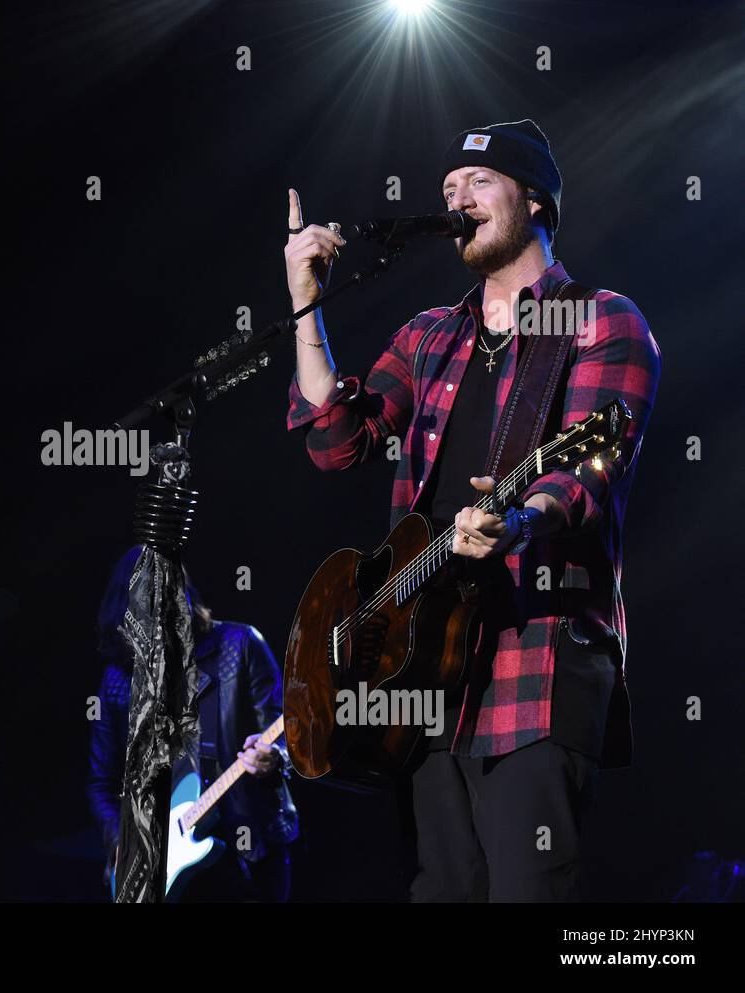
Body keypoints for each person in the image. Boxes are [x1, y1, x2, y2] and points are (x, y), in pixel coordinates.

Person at [282, 120, 660, 901]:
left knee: (528, 888)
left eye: (478, 183)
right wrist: (304, 302)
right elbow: (335, 440)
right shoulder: (431, 333)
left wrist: (519, 521)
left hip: (535, 652)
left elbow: (590, 475)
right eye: (449, 189)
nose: (457, 197)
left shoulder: (601, 318)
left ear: (534, 200)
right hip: (424, 661)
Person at [88, 546, 299, 901]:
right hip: (173, 871)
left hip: (248, 846)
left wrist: (274, 758)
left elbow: (288, 732)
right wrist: (124, 844)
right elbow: (102, 783)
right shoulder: (117, 683)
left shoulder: (240, 645)